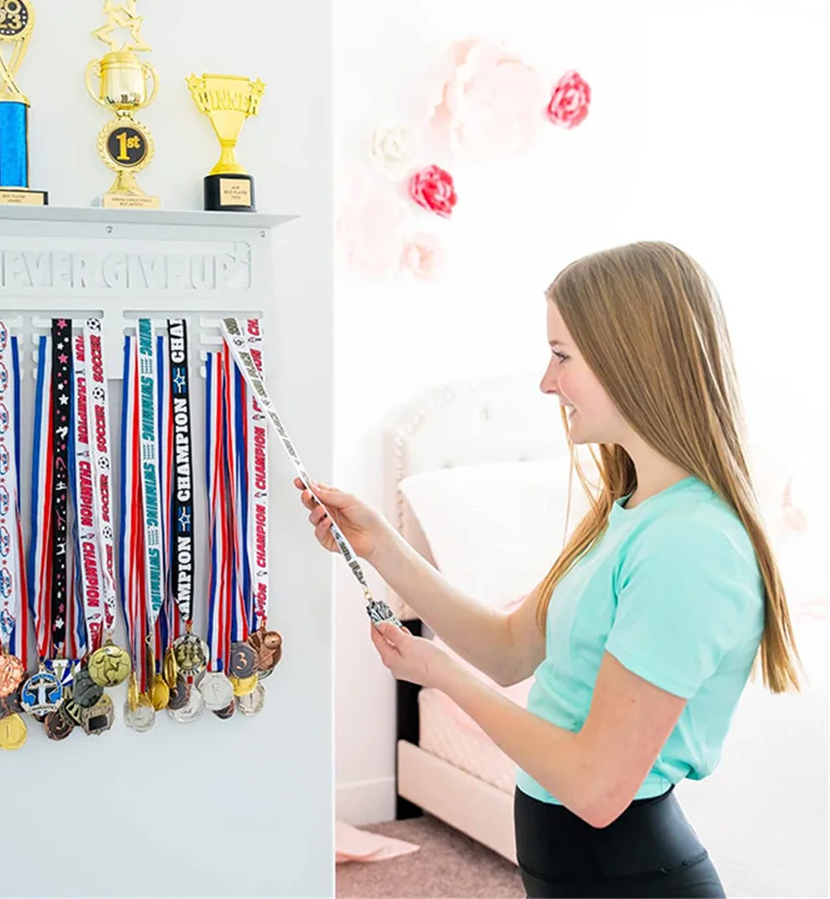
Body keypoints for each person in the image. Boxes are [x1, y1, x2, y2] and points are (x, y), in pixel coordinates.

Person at [296, 241, 801, 899]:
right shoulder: (628, 510)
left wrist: (440, 672)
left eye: (561, 355)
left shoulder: (690, 544)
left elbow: (595, 787)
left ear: (632, 355)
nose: (544, 381)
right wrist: (380, 545)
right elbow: (509, 650)